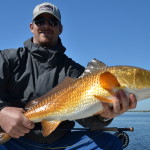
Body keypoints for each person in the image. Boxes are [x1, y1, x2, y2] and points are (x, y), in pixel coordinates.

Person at [0, 2, 137, 150]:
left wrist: (103, 115)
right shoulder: (8, 59)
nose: (46, 25)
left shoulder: (76, 72)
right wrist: (1, 112)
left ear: (60, 28)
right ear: (31, 27)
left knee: (110, 143)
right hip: (13, 140)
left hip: (63, 144)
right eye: (40, 21)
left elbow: (88, 119)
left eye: (52, 22)